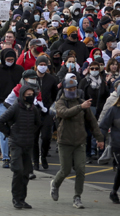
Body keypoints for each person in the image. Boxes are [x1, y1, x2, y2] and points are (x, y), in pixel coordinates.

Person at [50, 74, 105, 209]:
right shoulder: (61, 102)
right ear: (64, 89)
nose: (72, 90)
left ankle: (77, 197)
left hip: (80, 141)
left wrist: (99, 138)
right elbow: (64, 113)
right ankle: (55, 185)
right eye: (69, 88)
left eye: (74, 88)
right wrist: (81, 107)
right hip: (65, 142)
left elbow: (92, 122)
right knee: (65, 170)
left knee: (81, 169)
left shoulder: (82, 102)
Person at [0, 84, 41, 210]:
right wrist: (10, 133)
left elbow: (38, 123)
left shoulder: (34, 109)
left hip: (28, 144)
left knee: (26, 173)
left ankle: (22, 199)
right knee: (18, 171)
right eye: (28, 95)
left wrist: (31, 133)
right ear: (22, 95)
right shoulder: (15, 107)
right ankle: (16, 199)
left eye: (32, 95)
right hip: (16, 144)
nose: (30, 97)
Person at [0, 48, 24, 169]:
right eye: (8, 60)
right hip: (1, 103)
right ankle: (6, 157)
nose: (10, 62)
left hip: (17, 104)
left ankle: (16, 156)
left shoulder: (20, 70)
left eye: (12, 60)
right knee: (3, 132)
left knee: (18, 130)